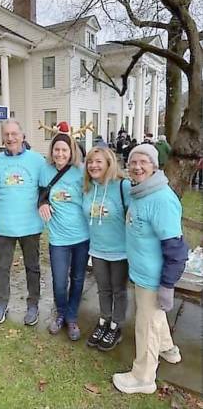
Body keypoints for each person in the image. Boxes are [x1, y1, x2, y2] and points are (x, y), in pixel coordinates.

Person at [113, 144, 188, 394]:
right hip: (142, 274)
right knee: (155, 318)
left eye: (143, 162)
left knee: (146, 325)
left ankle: (143, 377)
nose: (137, 167)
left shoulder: (161, 199)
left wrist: (167, 285)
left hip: (154, 279)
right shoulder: (141, 192)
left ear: (155, 166)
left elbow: (176, 250)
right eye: (133, 162)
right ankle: (168, 349)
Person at [0, 119, 45, 326]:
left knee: (33, 266)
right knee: (2, 268)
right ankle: (2, 304)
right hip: (4, 225)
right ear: (3, 137)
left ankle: (33, 305)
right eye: (6, 134)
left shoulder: (38, 161)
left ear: (23, 135)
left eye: (14, 134)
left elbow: (44, 190)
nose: (10, 138)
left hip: (30, 225)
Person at [39, 133, 89, 341]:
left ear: (71, 152)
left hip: (82, 236)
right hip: (58, 238)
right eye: (56, 149)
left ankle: (72, 316)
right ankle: (60, 313)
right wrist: (41, 203)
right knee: (59, 280)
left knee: (77, 278)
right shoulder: (45, 170)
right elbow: (40, 194)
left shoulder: (81, 171)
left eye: (64, 150)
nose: (60, 153)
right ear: (52, 151)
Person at [83, 147, 131, 351]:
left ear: (109, 163)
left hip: (120, 251)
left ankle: (115, 325)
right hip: (97, 250)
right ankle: (104, 321)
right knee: (103, 289)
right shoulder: (87, 188)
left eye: (98, 161)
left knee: (118, 290)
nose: (93, 165)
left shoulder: (123, 186)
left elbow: (134, 216)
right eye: (90, 162)